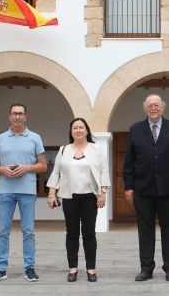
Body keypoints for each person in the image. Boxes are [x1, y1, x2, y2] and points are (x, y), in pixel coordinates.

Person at [123, 94, 169, 282]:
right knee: (145, 230)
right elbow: (129, 160)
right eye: (150, 105)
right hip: (143, 189)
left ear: (162, 107)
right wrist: (128, 186)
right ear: (145, 108)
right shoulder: (135, 129)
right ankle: (146, 268)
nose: (154, 108)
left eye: (157, 105)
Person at [0, 103, 47, 282]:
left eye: (21, 114)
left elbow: (43, 165)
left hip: (27, 191)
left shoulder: (35, 138)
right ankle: (0, 268)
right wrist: (3, 170)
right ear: (9, 117)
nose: (17, 117)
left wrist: (27, 168)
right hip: (5, 191)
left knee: (28, 230)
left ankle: (29, 267)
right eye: (14, 114)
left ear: (26, 116)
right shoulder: (0, 138)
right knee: (2, 231)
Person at [46, 117, 110, 283]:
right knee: (71, 233)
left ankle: (91, 269)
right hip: (69, 197)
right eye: (75, 127)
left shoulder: (95, 149)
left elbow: (104, 171)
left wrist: (102, 192)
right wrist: (52, 194)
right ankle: (73, 268)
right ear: (71, 131)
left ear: (87, 130)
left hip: (90, 197)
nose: (78, 130)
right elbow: (56, 173)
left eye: (81, 127)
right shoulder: (63, 150)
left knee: (89, 233)